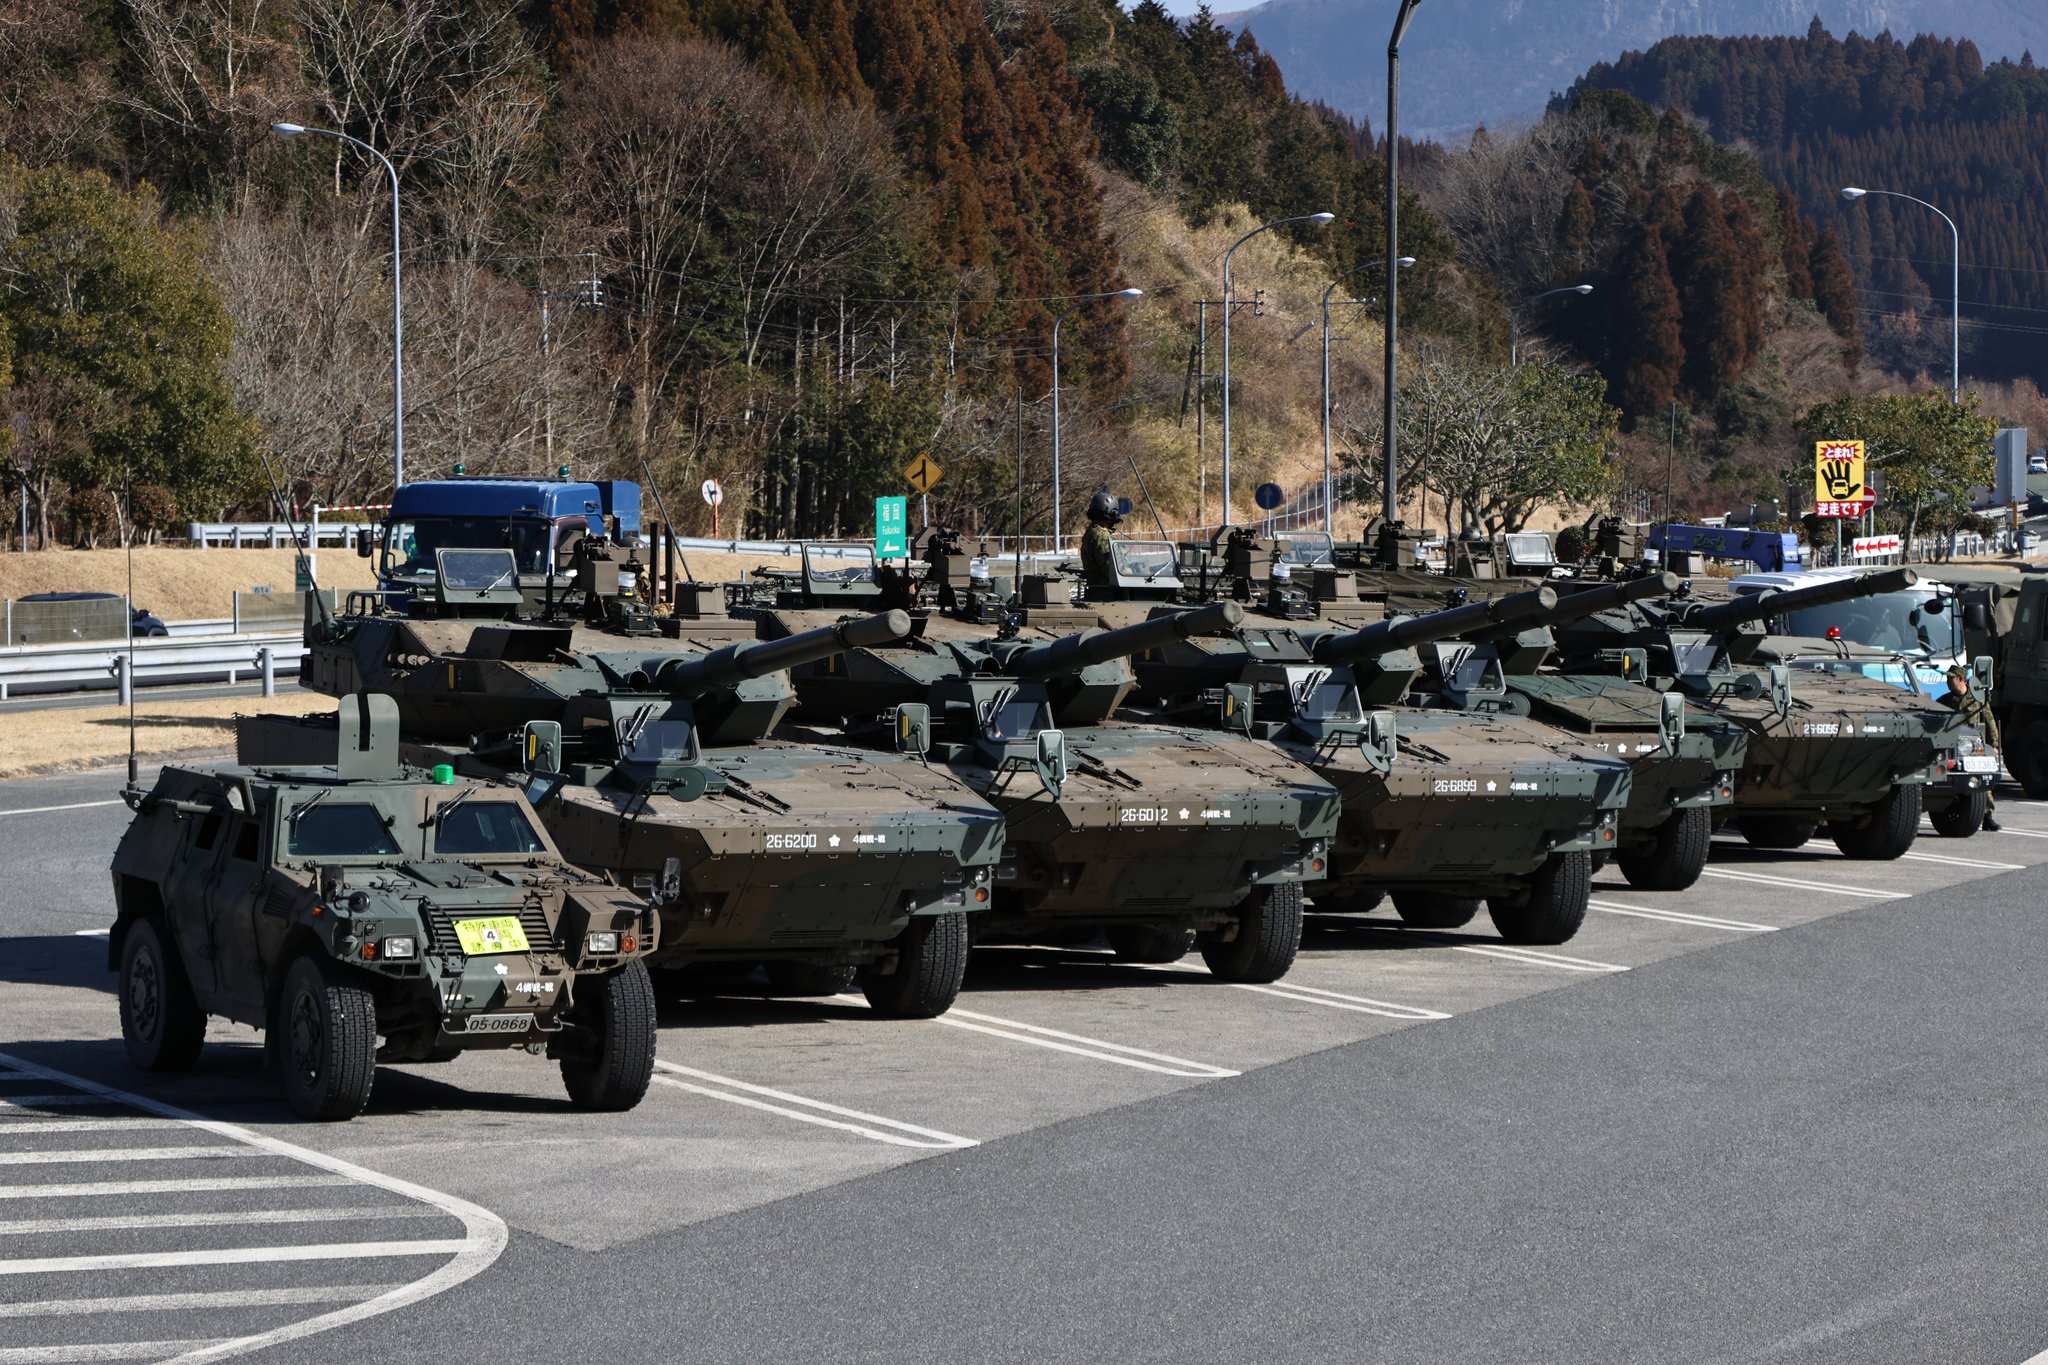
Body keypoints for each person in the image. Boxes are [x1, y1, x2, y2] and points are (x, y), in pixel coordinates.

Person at [1938, 664, 2001, 832]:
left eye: (1951, 678)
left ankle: (1987, 816)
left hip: (1974, 747)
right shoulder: (1945, 701)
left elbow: (1990, 721)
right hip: (1952, 747)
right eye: (1947, 678)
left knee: (1981, 780)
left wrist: (1995, 745)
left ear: (1960, 679)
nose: (1948, 681)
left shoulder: (1977, 699)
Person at [1080, 489, 1122, 599]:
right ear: (1111, 512)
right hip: (1108, 594)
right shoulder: (1101, 535)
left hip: (1099, 591)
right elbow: (1112, 568)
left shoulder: (1092, 532)